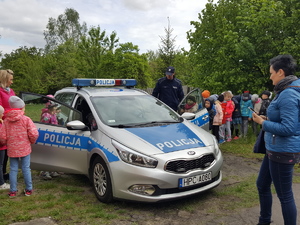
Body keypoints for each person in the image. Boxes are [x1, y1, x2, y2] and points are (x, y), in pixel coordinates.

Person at [252, 54, 300, 225]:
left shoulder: (288, 94)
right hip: (274, 147)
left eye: (271, 73)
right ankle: (264, 221)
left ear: (280, 72)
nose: (270, 76)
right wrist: (267, 119)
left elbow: (289, 128)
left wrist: (262, 123)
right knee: (262, 185)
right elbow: (284, 121)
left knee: (285, 195)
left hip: (283, 150)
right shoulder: (285, 91)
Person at [0, 96, 39, 197]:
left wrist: (5, 143)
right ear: (21, 108)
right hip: (25, 148)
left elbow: (2, 136)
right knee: (26, 168)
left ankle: (13, 190)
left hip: (12, 149)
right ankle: (28, 189)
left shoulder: (6, 121)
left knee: (13, 169)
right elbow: (34, 133)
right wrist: (31, 141)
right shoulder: (26, 119)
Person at [0, 69, 15, 183]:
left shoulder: (11, 91)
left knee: (7, 150)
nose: (12, 82)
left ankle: (4, 172)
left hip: (12, 124)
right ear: (4, 80)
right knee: (2, 150)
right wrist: (11, 113)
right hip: (3, 124)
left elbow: (16, 103)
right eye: (10, 80)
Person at [0, 105, 10, 190]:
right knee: (0, 165)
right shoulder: (0, 124)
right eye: (2, 113)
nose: (3, 114)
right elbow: (2, 138)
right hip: (1, 148)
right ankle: (1, 184)